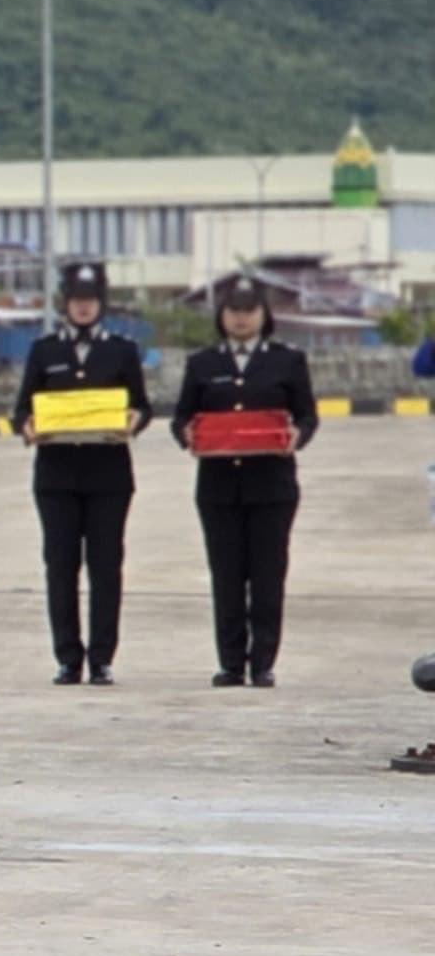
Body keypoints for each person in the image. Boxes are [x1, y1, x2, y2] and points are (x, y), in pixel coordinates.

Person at [171, 274, 321, 688]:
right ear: (222, 315)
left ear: (263, 315)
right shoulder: (203, 363)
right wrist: (184, 434)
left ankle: (264, 662)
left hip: (271, 485)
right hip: (218, 486)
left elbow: (307, 415)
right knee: (226, 575)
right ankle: (231, 663)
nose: (240, 319)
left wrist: (298, 436)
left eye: (248, 311)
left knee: (268, 574)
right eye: (233, 311)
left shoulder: (286, 360)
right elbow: (182, 416)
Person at [10, 260, 151, 686]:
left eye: (90, 301)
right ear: (65, 303)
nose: (84, 308)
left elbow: (143, 405)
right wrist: (26, 426)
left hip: (108, 473)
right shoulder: (45, 350)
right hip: (57, 476)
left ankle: (103, 658)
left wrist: (133, 422)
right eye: (77, 300)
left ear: (101, 304)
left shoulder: (122, 350)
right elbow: (22, 408)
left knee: (106, 566)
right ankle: (68, 658)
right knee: (61, 565)